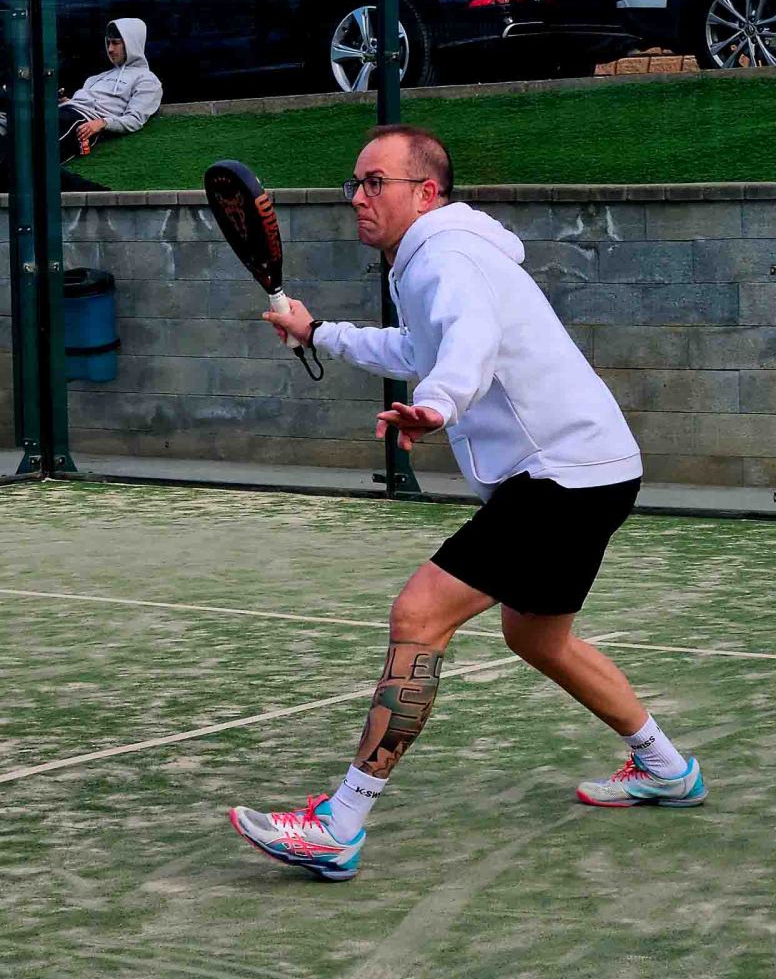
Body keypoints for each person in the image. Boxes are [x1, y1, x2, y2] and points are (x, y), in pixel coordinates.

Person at [229, 124, 707, 882]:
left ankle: (338, 824)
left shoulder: (445, 256)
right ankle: (666, 767)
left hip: (560, 476)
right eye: (355, 183)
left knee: (419, 614)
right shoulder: (433, 257)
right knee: (539, 638)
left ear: (425, 192)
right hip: (595, 467)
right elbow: (418, 349)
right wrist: (318, 331)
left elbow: (467, 345)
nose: (358, 197)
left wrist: (439, 404)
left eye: (375, 182)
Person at [0, 17, 162, 190]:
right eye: (108, 43)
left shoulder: (147, 80)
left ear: (132, 44)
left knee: (24, 154)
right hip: (65, 111)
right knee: (10, 124)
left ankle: (90, 190)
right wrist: (66, 101)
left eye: (116, 43)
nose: (110, 49)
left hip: (82, 120)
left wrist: (103, 123)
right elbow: (82, 102)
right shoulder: (96, 78)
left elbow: (135, 118)